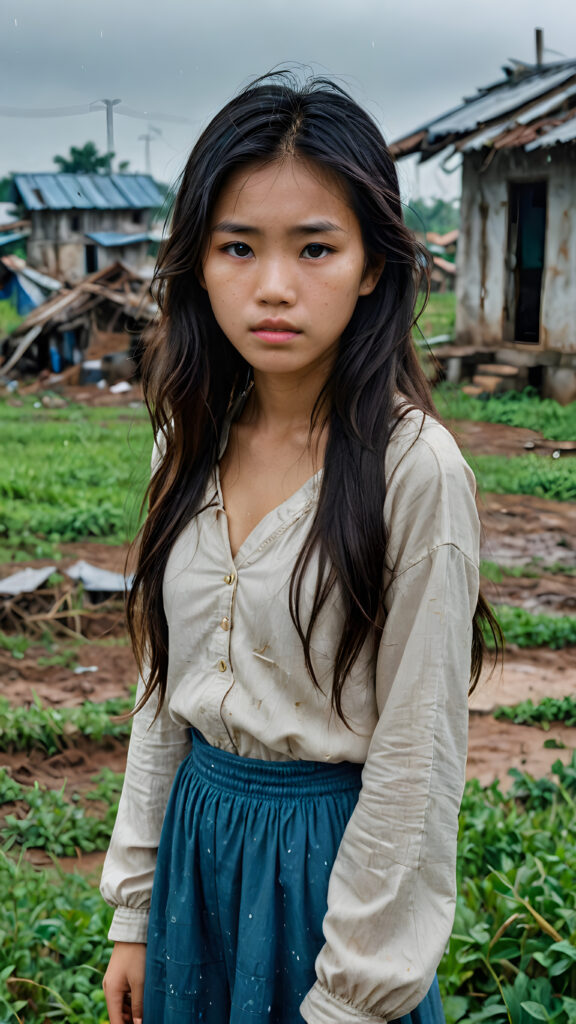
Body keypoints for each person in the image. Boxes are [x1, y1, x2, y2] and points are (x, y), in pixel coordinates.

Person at [100, 72, 498, 1024]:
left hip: (333, 868)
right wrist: (136, 912)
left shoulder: (415, 470)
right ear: (199, 261)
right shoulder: (186, 441)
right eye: (239, 246)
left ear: (371, 265)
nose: (273, 286)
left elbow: (417, 753)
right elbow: (163, 697)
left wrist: (356, 992)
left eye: (315, 247)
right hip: (200, 853)